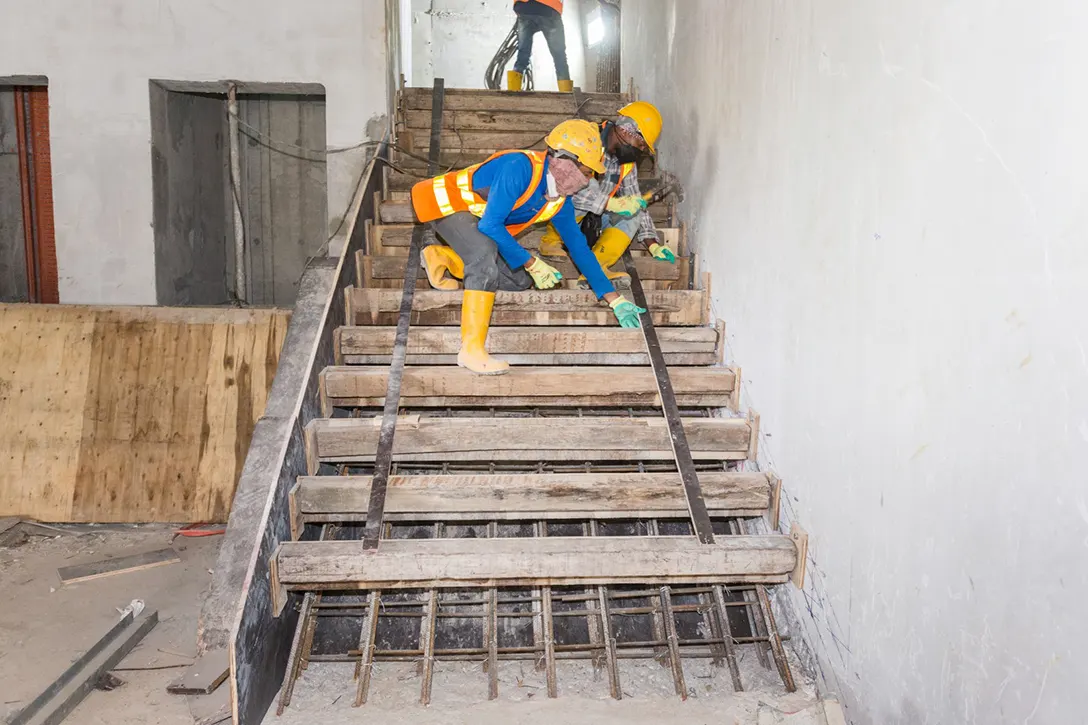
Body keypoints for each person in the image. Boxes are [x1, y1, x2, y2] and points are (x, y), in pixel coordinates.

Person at [411, 119, 646, 376]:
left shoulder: (559, 201)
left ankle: (443, 256)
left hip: (479, 223)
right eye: (588, 172)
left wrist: (614, 299)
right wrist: (531, 261)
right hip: (446, 205)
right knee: (483, 256)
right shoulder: (519, 167)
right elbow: (491, 226)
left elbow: (579, 249)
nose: (588, 181)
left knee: (519, 281)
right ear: (566, 161)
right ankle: (471, 350)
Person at [537, 101, 672, 288]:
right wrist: (610, 203)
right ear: (626, 132)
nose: (641, 151)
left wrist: (653, 243)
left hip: (593, 222)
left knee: (633, 214)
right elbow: (557, 185)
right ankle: (552, 241)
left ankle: (596, 269)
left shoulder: (626, 162)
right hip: (563, 214)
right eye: (641, 144)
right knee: (587, 183)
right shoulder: (584, 138)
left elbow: (636, 200)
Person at [507, 0, 572, 93]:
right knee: (559, 57)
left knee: (522, 55)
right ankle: (567, 96)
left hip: (524, 8)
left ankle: (512, 95)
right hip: (550, 8)